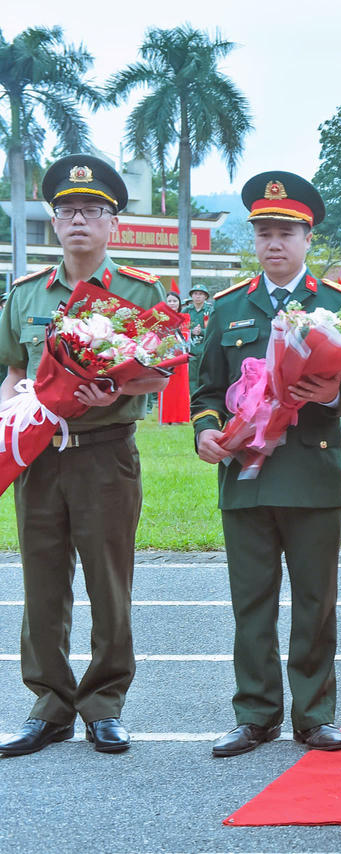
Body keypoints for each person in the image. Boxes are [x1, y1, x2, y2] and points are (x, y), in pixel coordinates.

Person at [192, 171, 341, 757]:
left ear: (307, 238)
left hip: (312, 472)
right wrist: (206, 431)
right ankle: (255, 714)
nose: (274, 243)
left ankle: (315, 714)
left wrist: (334, 395)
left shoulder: (337, 305)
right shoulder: (228, 307)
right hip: (245, 475)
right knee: (251, 601)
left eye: (286, 232)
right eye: (264, 233)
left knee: (316, 601)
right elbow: (206, 391)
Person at [0, 154, 168, 756]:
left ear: (112, 223)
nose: (78, 220)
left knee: (108, 582)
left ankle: (103, 706)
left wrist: (116, 389)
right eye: (67, 210)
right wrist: (11, 417)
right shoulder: (25, 295)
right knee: (42, 583)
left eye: (92, 211)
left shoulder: (140, 291)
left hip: (105, 454)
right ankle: (49, 706)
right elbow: (13, 371)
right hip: (40, 457)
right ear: (53, 220)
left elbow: (159, 373)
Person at [158, 289, 191, 424]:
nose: (172, 303)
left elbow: (187, 335)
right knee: (166, 386)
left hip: (180, 356)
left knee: (181, 387)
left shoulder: (185, 318)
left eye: (174, 301)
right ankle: (166, 418)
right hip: (166, 356)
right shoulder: (161, 318)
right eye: (169, 301)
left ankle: (180, 417)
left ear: (179, 303)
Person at [184, 284, 214, 394]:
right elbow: (180, 328)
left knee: (204, 374)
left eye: (201, 294)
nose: (198, 296)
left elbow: (214, 329)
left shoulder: (210, 310)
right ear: (191, 296)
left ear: (205, 296)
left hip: (205, 348)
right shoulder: (187, 310)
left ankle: (203, 396)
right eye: (195, 294)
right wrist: (191, 331)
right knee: (191, 376)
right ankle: (192, 397)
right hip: (190, 348)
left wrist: (201, 331)